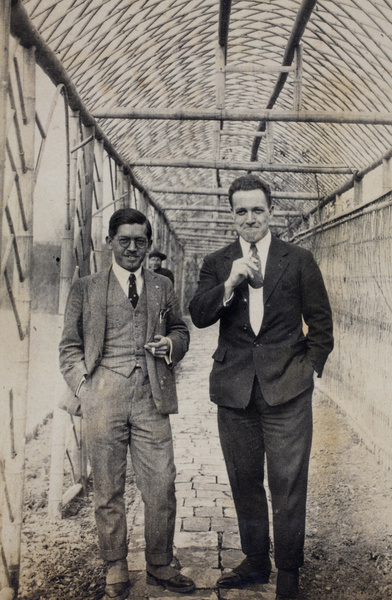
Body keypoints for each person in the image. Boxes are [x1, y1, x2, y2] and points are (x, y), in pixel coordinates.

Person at [189, 174, 333, 600]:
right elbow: (198, 315)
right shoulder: (217, 262)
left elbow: (321, 324)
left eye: (257, 210)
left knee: (288, 482)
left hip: (287, 391)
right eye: (241, 211)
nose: (250, 218)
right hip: (235, 393)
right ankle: (256, 560)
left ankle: (288, 571)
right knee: (244, 479)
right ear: (231, 215)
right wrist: (230, 283)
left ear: (271, 212)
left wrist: (306, 370)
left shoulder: (299, 259)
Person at [59, 208, 195, 600]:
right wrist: (85, 388)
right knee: (107, 486)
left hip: (152, 399)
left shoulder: (162, 287)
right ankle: (115, 564)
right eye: (125, 240)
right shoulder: (86, 288)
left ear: (149, 244)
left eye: (140, 241)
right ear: (110, 242)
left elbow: (181, 330)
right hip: (103, 399)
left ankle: (159, 562)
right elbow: (68, 348)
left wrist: (170, 345)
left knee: (162, 483)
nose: (133, 248)